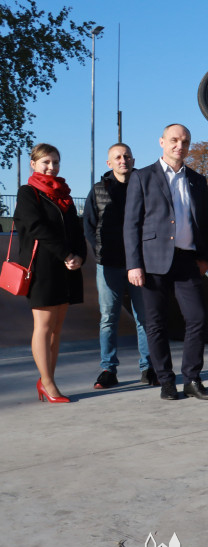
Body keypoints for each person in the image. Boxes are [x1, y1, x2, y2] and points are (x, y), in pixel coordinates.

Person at [125, 124, 208, 401]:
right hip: (152, 262)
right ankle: (165, 380)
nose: (180, 145)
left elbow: (205, 222)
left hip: (188, 260)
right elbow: (131, 224)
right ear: (162, 141)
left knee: (198, 318)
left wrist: (205, 258)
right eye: (174, 140)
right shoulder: (142, 177)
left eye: (185, 141)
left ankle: (192, 378)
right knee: (155, 323)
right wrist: (133, 264)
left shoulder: (197, 180)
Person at [12, 143, 87, 402]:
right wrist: (66, 254)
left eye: (55, 162)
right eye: (46, 162)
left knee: (57, 328)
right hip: (43, 267)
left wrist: (79, 256)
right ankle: (48, 383)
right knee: (43, 326)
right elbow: (36, 228)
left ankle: (47, 379)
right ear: (33, 164)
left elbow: (75, 229)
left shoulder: (63, 194)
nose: (51, 167)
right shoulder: (27, 193)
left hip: (66, 267)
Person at [83, 143, 157, 389]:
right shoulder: (99, 190)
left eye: (126, 156)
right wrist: (100, 252)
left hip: (140, 264)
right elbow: (89, 225)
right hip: (109, 264)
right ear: (109, 163)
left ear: (133, 160)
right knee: (108, 318)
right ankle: (108, 369)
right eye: (117, 157)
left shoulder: (145, 186)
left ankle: (148, 368)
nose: (122, 160)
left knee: (144, 318)